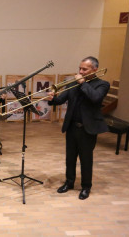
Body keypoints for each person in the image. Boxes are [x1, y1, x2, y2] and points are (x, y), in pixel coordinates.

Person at [47, 56, 110, 200]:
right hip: (71, 127)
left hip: (87, 129)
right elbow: (61, 99)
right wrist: (52, 99)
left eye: (84, 69)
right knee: (70, 158)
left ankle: (86, 187)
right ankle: (69, 182)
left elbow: (95, 98)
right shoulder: (73, 83)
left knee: (86, 159)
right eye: (80, 68)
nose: (80, 72)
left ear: (95, 70)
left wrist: (82, 83)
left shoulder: (102, 84)